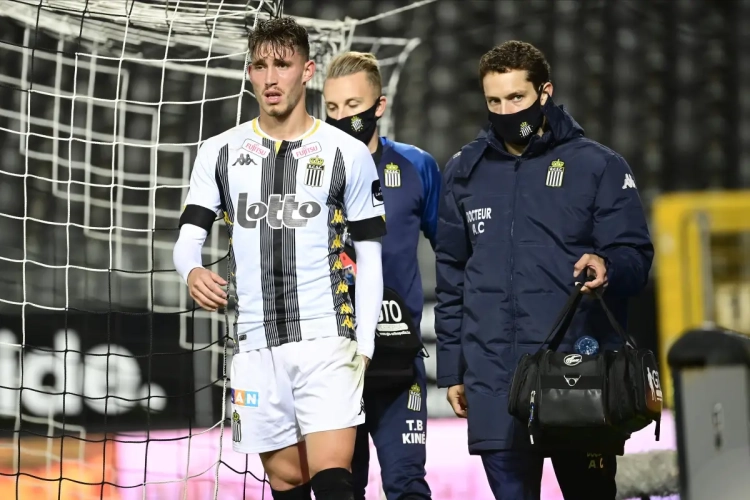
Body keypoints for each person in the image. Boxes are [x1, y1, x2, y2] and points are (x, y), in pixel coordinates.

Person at [173, 18, 387, 500]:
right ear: (249, 72)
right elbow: (187, 240)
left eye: (283, 65)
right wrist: (191, 269)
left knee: (334, 480)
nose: (271, 78)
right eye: (260, 66)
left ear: (307, 71)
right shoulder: (218, 152)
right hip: (255, 346)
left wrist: (365, 343)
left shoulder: (347, 153)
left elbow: (371, 256)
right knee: (288, 482)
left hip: (327, 339)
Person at [433, 40, 654, 500]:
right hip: (495, 381)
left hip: (581, 373)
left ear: (545, 92)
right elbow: (452, 279)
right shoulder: (463, 172)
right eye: (494, 101)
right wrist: (452, 371)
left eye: (516, 97)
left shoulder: (598, 166)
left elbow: (636, 256)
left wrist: (608, 266)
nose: (505, 110)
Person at [323, 51, 439, 500]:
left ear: (379, 106)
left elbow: (453, 257)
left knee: (407, 486)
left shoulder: (417, 166)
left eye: (353, 106)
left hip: (397, 361)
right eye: (332, 108)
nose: (342, 117)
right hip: (330, 363)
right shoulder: (309, 174)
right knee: (341, 489)